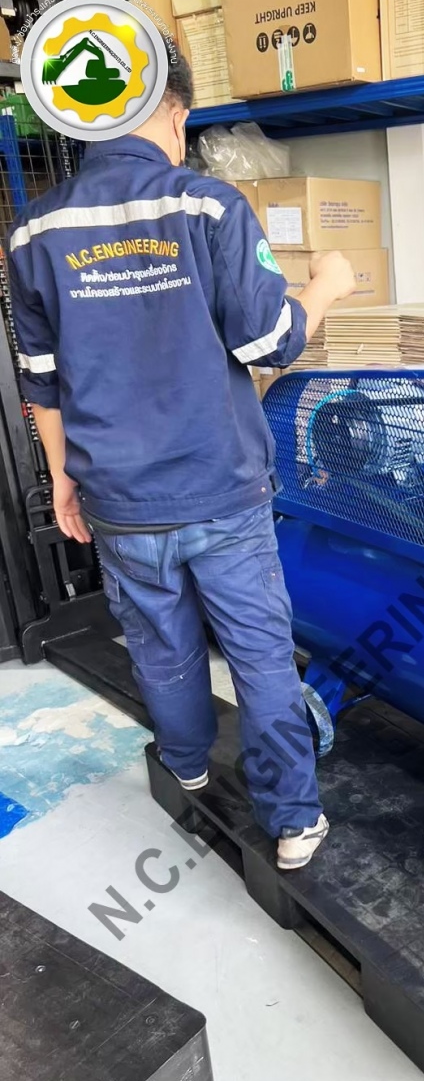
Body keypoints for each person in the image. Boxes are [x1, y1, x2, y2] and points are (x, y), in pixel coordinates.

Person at [7, 48, 357, 871]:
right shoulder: (207, 206)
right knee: (260, 657)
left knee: (160, 647)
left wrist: (64, 478)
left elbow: (40, 379)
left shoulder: (34, 231)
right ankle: (293, 821)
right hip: (221, 489)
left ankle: (188, 767)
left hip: (119, 498)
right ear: (174, 112)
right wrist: (328, 285)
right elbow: (271, 341)